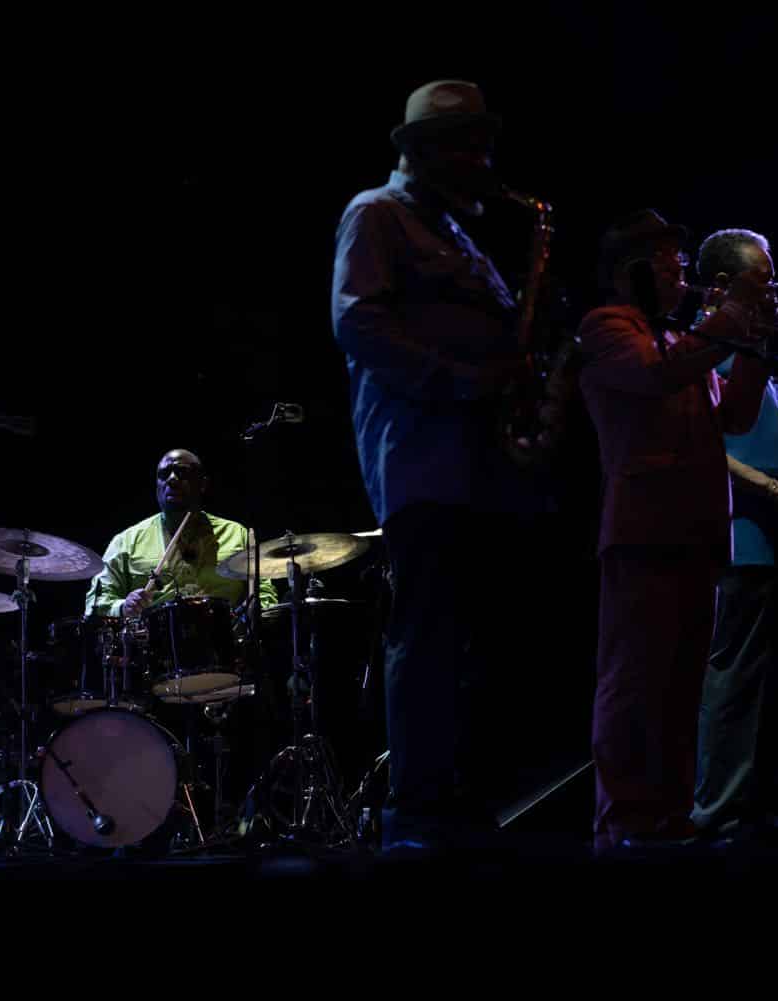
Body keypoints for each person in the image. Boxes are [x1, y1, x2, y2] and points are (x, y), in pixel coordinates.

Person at [331, 80, 554, 855]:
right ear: (426, 151)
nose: (485, 161)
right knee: (425, 632)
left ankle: (460, 795)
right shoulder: (376, 214)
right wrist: (463, 379)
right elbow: (356, 321)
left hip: (479, 462)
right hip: (421, 458)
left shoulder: (459, 233)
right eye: (470, 146)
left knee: (471, 638)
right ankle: (415, 809)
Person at [575, 210, 773, 854]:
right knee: (635, 684)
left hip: (699, 531)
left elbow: (735, 417)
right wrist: (732, 319)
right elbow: (655, 376)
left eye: (680, 262)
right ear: (631, 268)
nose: (681, 274)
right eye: (667, 261)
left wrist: (756, 345)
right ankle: (625, 823)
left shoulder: (680, 338)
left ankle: (671, 818)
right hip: (643, 531)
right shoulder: (608, 327)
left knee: (684, 688)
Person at [690, 228, 778, 841]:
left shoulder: (749, 348)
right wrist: (770, 488)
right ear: (720, 287)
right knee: (731, 684)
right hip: (738, 536)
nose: (776, 294)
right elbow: (700, 446)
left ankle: (753, 809)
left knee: (759, 685)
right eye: (762, 282)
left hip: (769, 538)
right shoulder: (708, 346)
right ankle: (718, 817)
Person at [85, 449, 276, 620]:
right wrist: (122, 607)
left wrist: (254, 611)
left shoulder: (237, 534)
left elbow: (264, 594)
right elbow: (96, 604)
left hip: (228, 643)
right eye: (163, 474)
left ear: (203, 484)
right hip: (153, 646)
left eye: (182, 473)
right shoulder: (126, 542)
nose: (172, 479)